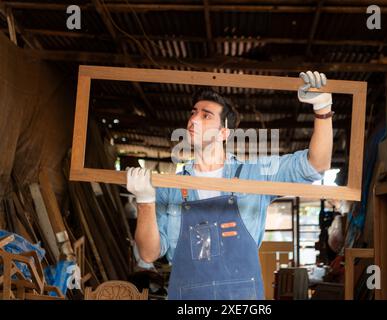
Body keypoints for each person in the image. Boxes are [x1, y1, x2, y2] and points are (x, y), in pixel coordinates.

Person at [126, 71, 333, 300]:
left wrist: (322, 110)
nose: (193, 120)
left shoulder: (255, 175)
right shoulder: (171, 186)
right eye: (193, 113)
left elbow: (315, 165)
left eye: (206, 116)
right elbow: (148, 253)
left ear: (224, 132)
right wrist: (145, 202)